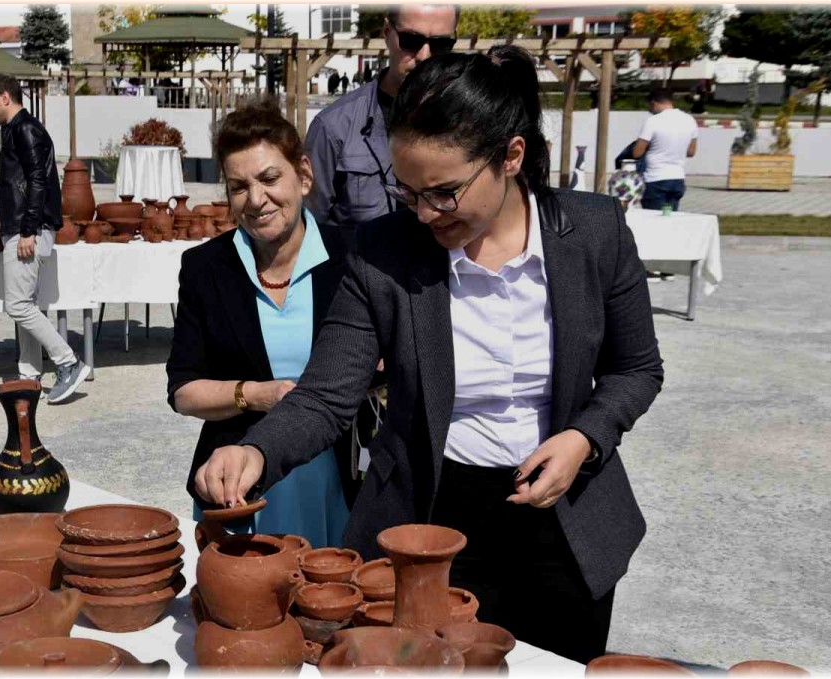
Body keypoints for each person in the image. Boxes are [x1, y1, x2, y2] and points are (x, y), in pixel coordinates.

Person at [193, 47, 664, 665]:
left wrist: (584, 437)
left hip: (568, 515)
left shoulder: (594, 232)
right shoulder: (384, 252)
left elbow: (637, 369)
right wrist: (256, 448)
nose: (423, 214)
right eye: (407, 190)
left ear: (511, 157)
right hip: (434, 519)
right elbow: (328, 393)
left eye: (443, 193)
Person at [166, 98, 356, 547]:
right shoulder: (206, 268)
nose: (256, 199)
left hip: (343, 478)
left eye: (270, 178)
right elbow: (183, 390)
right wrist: (257, 395)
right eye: (238, 186)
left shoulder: (352, 259)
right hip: (239, 482)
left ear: (304, 175)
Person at [0, 73, 90, 403]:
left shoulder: (26, 129)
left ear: (5, 97)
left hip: (28, 232)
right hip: (23, 228)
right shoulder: (16, 130)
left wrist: (28, 230)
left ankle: (68, 363)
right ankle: (28, 377)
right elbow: (19, 187)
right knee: (26, 305)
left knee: (18, 305)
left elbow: (39, 182)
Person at [305, 4, 459, 251]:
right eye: (411, 40)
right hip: (356, 280)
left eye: (440, 45)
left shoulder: (468, 123)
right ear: (388, 32)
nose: (424, 55)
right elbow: (307, 228)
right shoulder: (334, 127)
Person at [632, 88, 698, 211]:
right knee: (670, 219)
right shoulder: (689, 120)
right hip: (677, 178)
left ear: (654, 103)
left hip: (655, 178)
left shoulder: (653, 121)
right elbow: (691, 152)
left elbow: (637, 153)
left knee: (654, 221)